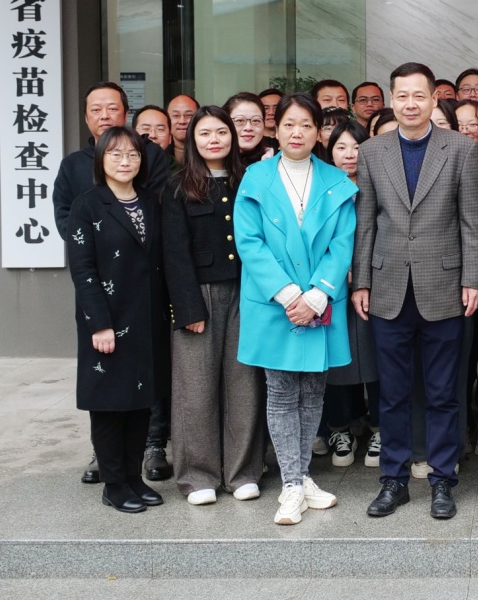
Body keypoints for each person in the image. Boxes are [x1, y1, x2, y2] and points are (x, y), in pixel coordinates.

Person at [352, 62, 478, 520]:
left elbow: (471, 221)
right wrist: (361, 280)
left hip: (444, 286)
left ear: (433, 99)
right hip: (387, 286)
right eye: (402, 96)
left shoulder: (461, 148)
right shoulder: (372, 151)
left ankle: (443, 479)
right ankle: (394, 479)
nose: (410, 104)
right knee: (392, 393)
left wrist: (472, 279)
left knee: (444, 391)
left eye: (418, 95)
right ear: (392, 100)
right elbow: (366, 222)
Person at [235, 93, 359, 526]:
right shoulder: (255, 177)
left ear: (319, 132)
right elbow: (249, 242)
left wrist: (317, 295)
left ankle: (302, 477)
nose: (297, 132)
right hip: (275, 303)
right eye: (289, 124)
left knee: (313, 392)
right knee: (282, 391)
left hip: (320, 302)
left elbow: (343, 242)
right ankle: (291, 484)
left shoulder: (336, 181)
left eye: (307, 125)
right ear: (277, 128)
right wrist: (290, 295)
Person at [54, 82, 171, 486]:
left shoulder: (152, 168)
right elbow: (75, 244)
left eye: (112, 108)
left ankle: (143, 460)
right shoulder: (76, 175)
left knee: (143, 385)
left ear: (126, 113)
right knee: (107, 387)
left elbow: (163, 232)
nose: (104, 115)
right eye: (96, 109)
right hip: (104, 300)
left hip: (144, 299)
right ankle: (111, 473)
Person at [162, 106, 264, 506]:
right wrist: (188, 308)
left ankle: (243, 472)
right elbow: (174, 253)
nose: (214, 140)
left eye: (221, 131)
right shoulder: (177, 186)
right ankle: (198, 475)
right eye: (204, 133)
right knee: (196, 388)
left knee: (244, 384)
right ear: (192, 140)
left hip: (246, 292)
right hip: (198, 295)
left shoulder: (249, 180)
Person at [318, 121, 382, 470]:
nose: (349, 154)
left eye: (357, 147)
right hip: (330, 288)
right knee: (336, 362)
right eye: (341, 147)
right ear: (330, 151)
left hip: (375, 285)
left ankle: (380, 428)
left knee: (376, 359)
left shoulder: (377, 184)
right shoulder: (321, 188)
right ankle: (340, 428)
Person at [225, 92, 278, 166]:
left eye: (256, 121)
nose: (248, 128)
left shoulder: (276, 161)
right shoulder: (214, 162)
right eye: (239, 120)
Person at [167, 94, 200, 166]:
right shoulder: (160, 152)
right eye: (176, 116)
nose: (182, 121)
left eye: (188, 115)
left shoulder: (208, 151)